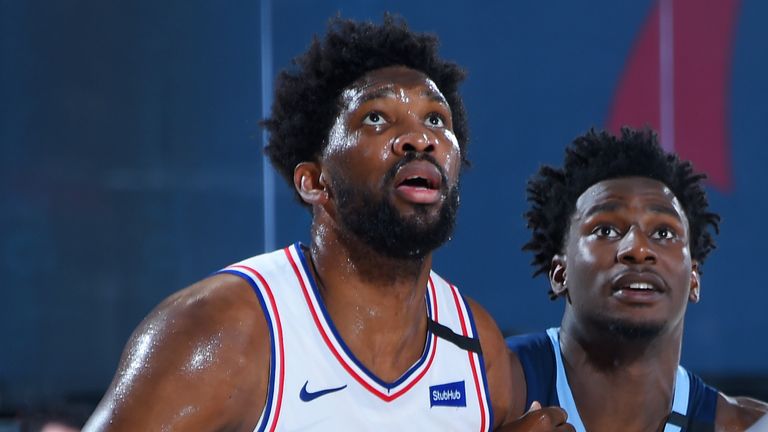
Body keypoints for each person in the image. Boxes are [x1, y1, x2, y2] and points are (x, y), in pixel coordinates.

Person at [84, 16, 571, 431]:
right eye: (377, 119)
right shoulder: (220, 332)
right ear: (314, 181)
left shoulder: (475, 347)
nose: (418, 139)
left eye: (436, 120)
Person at [506, 127, 768, 431]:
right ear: (559, 273)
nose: (637, 249)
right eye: (605, 230)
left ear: (694, 278)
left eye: (663, 233)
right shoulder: (491, 386)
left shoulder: (746, 427)